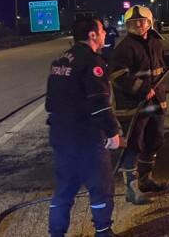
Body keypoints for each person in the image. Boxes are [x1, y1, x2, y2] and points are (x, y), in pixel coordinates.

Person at [46, 17, 122, 237]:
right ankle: (103, 232)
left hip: (61, 138)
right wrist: (112, 132)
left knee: (64, 190)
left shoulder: (60, 61)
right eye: (102, 31)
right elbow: (99, 104)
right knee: (101, 189)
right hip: (87, 140)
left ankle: (56, 234)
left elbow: (50, 103)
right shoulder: (92, 62)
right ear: (92, 35)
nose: (105, 34)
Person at [110, 5, 169, 205]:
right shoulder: (124, 48)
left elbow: (159, 66)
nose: (138, 24)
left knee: (155, 140)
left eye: (142, 21)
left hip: (155, 102)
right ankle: (132, 189)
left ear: (150, 22)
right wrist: (142, 88)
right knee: (134, 146)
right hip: (133, 107)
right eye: (133, 22)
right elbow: (118, 75)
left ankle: (146, 180)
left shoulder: (155, 43)